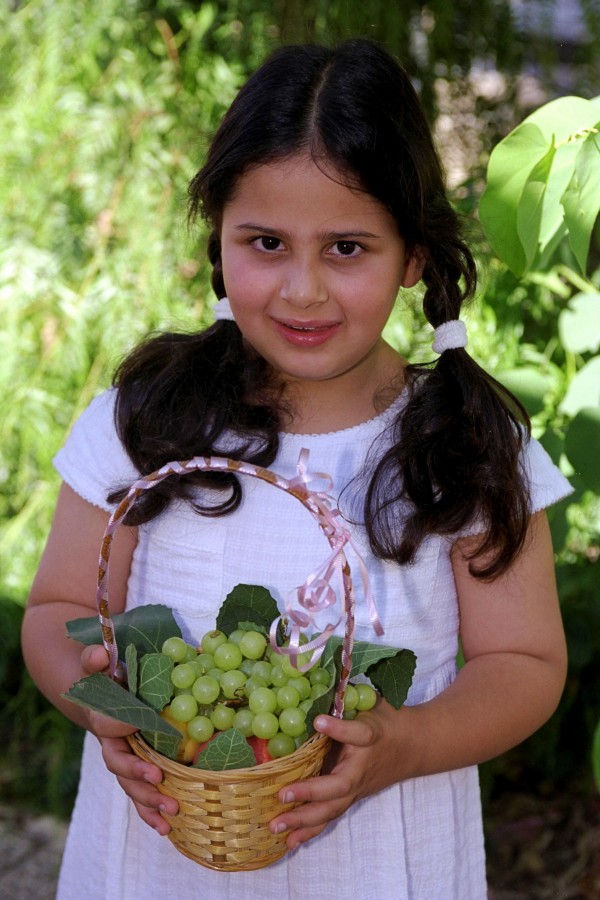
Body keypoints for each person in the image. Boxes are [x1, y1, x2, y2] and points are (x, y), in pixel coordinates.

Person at [22, 39, 571, 900]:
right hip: (161, 857)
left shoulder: (464, 444)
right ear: (220, 238)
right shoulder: (149, 419)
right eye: (267, 242)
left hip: (383, 864)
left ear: (415, 257)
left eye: (348, 248)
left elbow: (526, 663)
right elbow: (57, 606)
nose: (302, 290)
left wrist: (408, 746)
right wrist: (98, 704)